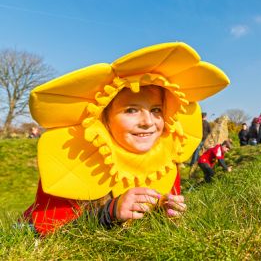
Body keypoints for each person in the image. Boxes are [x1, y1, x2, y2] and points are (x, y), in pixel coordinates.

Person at [22, 42, 230, 235]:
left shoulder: (165, 160)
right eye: (131, 110)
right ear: (103, 118)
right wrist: (109, 213)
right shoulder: (75, 158)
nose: (148, 121)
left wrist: (164, 210)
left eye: (156, 110)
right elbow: (48, 231)